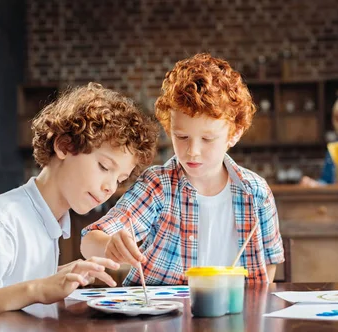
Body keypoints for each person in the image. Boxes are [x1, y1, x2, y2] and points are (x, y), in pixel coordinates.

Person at [0, 83, 160, 332]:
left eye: (119, 179)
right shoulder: (2, 218)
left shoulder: (50, 222)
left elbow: (6, 284)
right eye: (104, 167)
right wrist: (37, 289)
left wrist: (62, 275)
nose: (110, 187)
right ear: (64, 146)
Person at [81, 53, 285, 285]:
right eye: (182, 136)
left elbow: (270, 261)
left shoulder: (256, 192)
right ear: (170, 128)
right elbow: (89, 240)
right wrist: (108, 244)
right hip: (163, 318)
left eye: (207, 139)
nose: (192, 151)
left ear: (235, 133)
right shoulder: (158, 185)